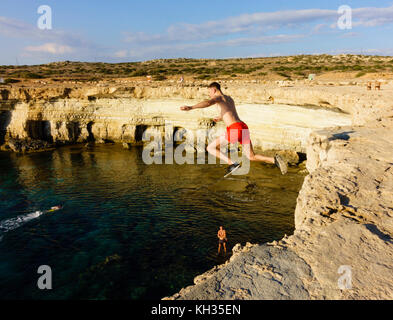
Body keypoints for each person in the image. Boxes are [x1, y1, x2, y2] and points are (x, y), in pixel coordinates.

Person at [180, 82, 288, 176]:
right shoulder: (229, 99)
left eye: (209, 92)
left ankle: (232, 163)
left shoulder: (217, 98)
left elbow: (208, 102)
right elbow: (231, 112)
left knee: (210, 148)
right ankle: (274, 160)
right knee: (251, 156)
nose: (209, 94)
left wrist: (191, 107)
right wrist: (221, 117)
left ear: (213, 89)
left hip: (235, 129)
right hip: (243, 127)